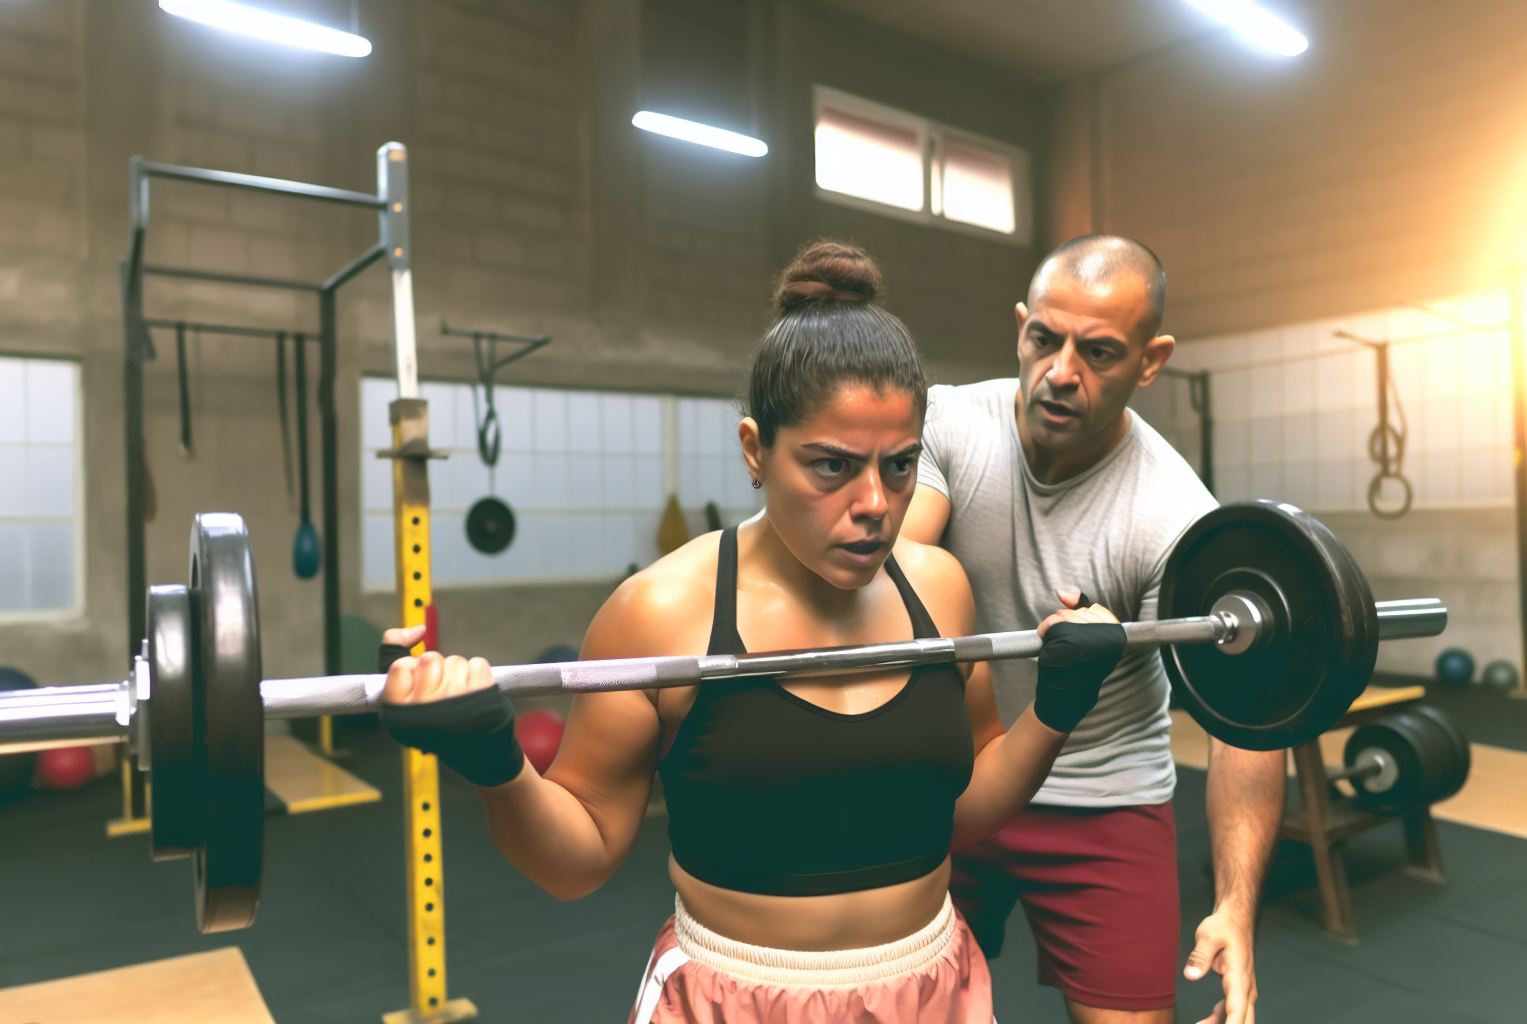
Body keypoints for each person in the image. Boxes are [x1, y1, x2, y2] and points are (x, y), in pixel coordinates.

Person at [378, 241, 1131, 1024]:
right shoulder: (662, 613)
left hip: (931, 987)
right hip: (736, 998)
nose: (875, 501)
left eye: (900, 466)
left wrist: (1056, 709)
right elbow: (579, 862)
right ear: (754, 451)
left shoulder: (938, 588)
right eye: (832, 467)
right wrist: (494, 763)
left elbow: (965, 809)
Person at [900, 235, 1286, 1024]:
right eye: (1045, 339)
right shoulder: (948, 421)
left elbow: (1241, 723)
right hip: (954, 774)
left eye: (1101, 352)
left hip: (1101, 794)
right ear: (1020, 327)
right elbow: (900, 574)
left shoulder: (1174, 515)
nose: (1061, 372)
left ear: (1152, 361)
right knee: (894, 1004)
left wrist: (1235, 905)